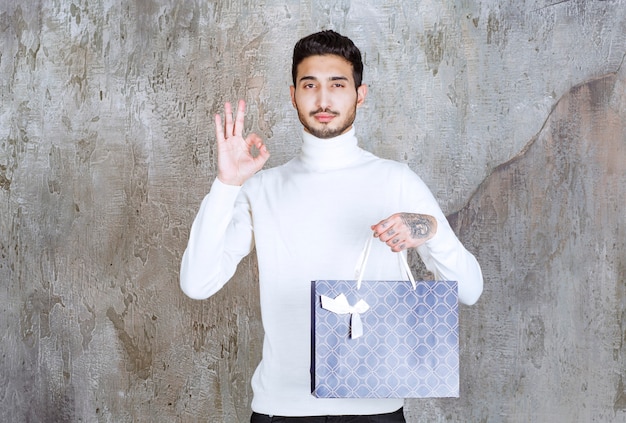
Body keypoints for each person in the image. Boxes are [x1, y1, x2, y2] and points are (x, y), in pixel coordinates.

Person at [180, 30, 483, 423]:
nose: (323, 100)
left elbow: (471, 290)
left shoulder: (397, 181)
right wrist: (226, 184)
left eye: (337, 85)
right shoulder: (261, 188)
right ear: (293, 96)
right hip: (280, 410)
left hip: (375, 408)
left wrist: (431, 230)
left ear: (360, 93)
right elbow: (197, 283)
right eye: (310, 85)